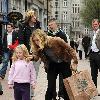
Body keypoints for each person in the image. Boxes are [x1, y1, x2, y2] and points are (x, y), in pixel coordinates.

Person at [30, 29, 78, 100]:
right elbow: (36, 57)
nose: (36, 42)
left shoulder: (56, 40)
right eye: (34, 41)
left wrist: (75, 62)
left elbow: (70, 49)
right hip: (52, 64)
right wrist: (32, 57)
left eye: (37, 40)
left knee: (67, 85)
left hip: (64, 62)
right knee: (50, 86)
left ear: (42, 37)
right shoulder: (38, 47)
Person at [18, 9, 41, 98]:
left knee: (34, 73)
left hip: (36, 54)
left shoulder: (37, 26)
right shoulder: (23, 27)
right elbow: (21, 41)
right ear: (30, 17)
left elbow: (41, 38)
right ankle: (27, 92)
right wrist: (24, 54)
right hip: (27, 54)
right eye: (34, 16)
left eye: (36, 16)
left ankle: (31, 93)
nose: (35, 17)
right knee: (26, 74)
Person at [48, 18, 69, 99]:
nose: (50, 26)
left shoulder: (62, 34)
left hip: (62, 61)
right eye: (49, 25)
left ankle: (62, 94)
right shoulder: (48, 35)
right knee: (51, 82)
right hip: (52, 62)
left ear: (56, 24)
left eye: (52, 25)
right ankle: (53, 96)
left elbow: (66, 47)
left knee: (63, 80)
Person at [89, 19, 100, 90]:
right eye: (93, 25)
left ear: (99, 24)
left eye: (96, 24)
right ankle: (94, 90)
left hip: (99, 54)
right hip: (92, 55)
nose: (94, 26)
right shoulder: (92, 33)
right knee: (93, 74)